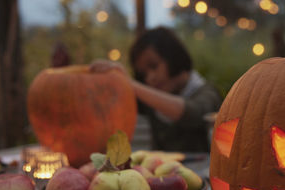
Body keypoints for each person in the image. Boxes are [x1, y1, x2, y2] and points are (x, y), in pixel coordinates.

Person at [90, 26, 222, 152]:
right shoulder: (150, 100)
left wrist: (129, 84)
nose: (149, 78)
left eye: (153, 66)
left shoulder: (208, 94)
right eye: (143, 74)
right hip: (158, 173)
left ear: (173, 56)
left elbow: (191, 113)